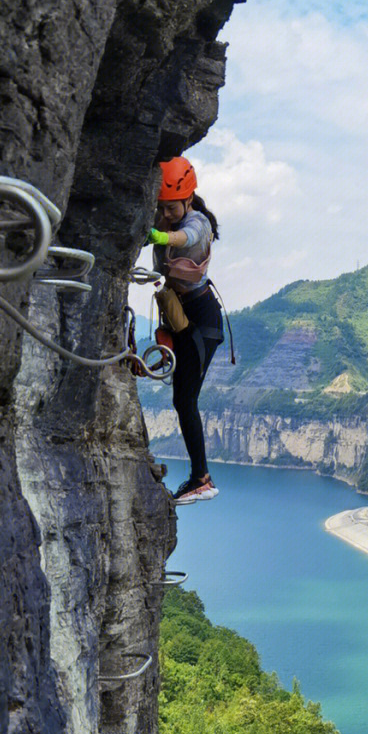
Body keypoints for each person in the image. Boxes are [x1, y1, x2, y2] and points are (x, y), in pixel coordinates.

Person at [148, 156, 224, 504]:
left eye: (171, 209)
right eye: (159, 209)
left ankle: (202, 478)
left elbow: (186, 235)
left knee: (184, 399)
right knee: (180, 396)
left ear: (188, 200)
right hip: (183, 315)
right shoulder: (170, 217)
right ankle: (200, 475)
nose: (165, 215)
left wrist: (161, 234)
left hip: (201, 320)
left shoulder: (198, 224)